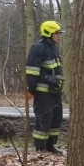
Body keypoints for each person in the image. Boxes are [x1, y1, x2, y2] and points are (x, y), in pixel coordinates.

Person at [25, 20, 65, 154]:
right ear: (48, 33)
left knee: (55, 120)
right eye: (57, 33)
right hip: (43, 93)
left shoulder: (53, 47)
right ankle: (40, 147)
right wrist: (32, 90)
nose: (59, 36)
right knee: (43, 120)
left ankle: (50, 146)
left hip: (55, 92)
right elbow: (32, 71)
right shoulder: (38, 47)